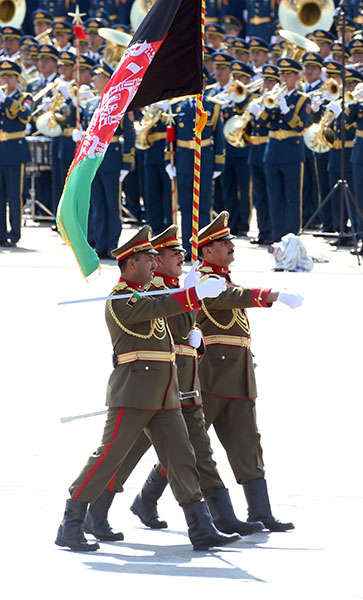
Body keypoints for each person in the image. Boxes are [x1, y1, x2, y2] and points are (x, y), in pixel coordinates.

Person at [55, 225, 240, 553]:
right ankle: (71, 523)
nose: (154, 265)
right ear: (129, 265)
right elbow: (158, 309)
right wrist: (193, 294)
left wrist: (190, 309)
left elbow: (171, 323)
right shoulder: (120, 299)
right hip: (134, 393)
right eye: (147, 260)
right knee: (108, 457)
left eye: (155, 259)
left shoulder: (150, 294)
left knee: (183, 456)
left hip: (165, 393)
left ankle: (201, 527)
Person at [195, 210, 303, 531]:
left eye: (230, 241)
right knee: (189, 445)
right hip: (212, 377)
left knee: (248, 443)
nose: (231, 246)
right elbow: (233, 297)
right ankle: (148, 499)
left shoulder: (221, 278)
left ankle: (261, 511)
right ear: (206, 251)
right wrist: (272, 295)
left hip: (240, 377)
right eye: (223, 243)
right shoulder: (201, 282)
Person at [262, 57, 311, 242]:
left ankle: (291, 239)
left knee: (292, 199)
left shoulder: (302, 99)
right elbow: (261, 122)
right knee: (275, 198)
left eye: (288, 75)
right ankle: (276, 237)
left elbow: (300, 126)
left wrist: (285, 109)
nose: (283, 78)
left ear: (296, 77)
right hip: (273, 151)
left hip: (291, 152)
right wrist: (269, 105)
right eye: (281, 74)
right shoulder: (273, 97)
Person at [0, 60, 33, 247]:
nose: (5, 79)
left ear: (16, 78)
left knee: (14, 194)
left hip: (14, 149)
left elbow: (26, 114)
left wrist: (6, 100)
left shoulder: (24, 97)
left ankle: (14, 233)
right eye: (2, 76)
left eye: (9, 76)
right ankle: (1, 233)